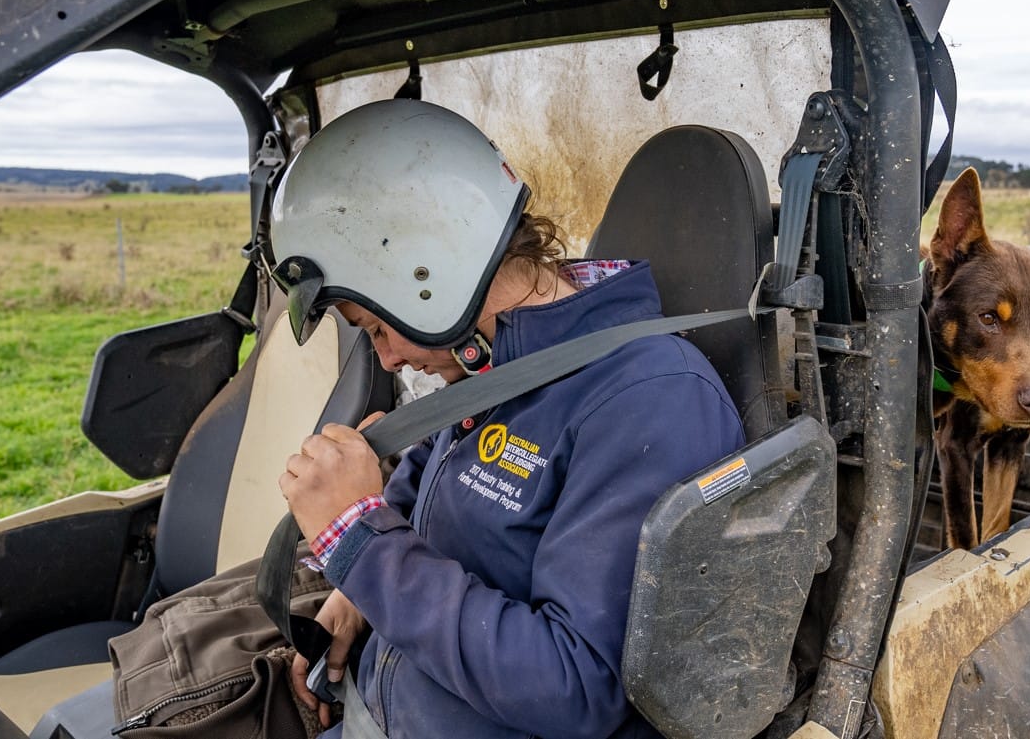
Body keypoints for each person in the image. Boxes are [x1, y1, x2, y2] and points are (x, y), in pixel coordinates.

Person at [268, 99, 747, 739]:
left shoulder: (651, 401)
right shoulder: (497, 365)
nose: (386, 355)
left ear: (427, 272)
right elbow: (424, 498)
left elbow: (577, 688)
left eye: (377, 327)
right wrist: (355, 597)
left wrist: (362, 545)